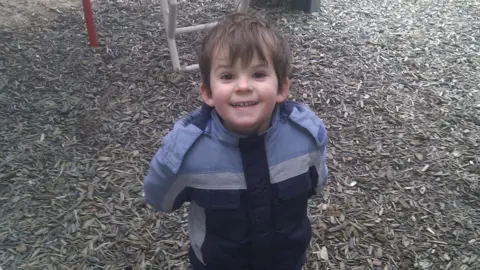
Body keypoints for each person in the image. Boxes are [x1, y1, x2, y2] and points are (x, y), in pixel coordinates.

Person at [144, 11, 329, 270]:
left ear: (282, 89)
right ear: (207, 92)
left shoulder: (307, 136)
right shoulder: (189, 153)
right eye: (228, 76)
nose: (243, 86)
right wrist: (171, 153)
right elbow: (159, 199)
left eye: (258, 74)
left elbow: (316, 184)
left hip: (286, 262)